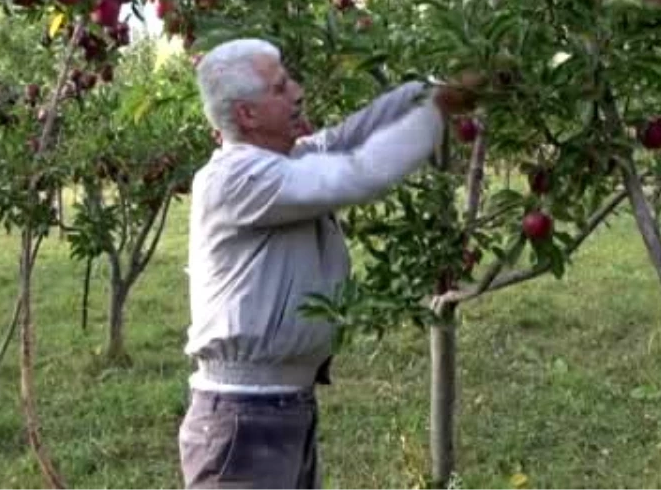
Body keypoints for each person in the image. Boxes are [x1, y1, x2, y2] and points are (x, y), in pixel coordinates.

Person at [178, 38, 480, 488]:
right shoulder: (235, 179)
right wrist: (435, 110)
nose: (297, 91)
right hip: (243, 417)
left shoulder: (283, 159)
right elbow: (358, 172)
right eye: (280, 88)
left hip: (279, 406)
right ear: (247, 114)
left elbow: (346, 138)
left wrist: (426, 90)